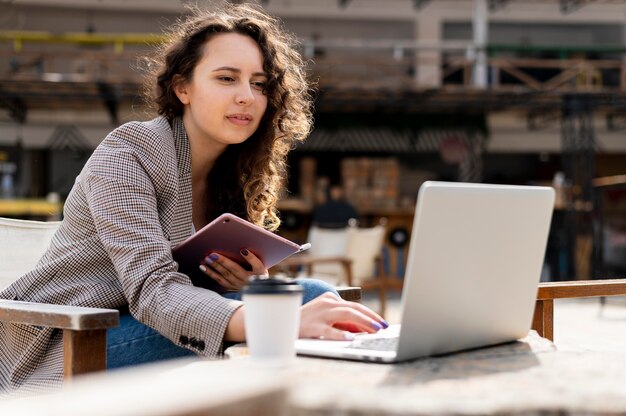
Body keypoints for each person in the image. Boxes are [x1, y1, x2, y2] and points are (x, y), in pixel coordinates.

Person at [0, 3, 387, 393]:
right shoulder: (126, 155)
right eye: (226, 78)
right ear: (182, 87)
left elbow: (203, 289)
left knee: (307, 299)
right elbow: (154, 291)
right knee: (308, 300)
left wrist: (254, 284)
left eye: (259, 84)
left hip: (159, 328)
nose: (246, 97)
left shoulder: (232, 173)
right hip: (70, 344)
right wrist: (269, 318)